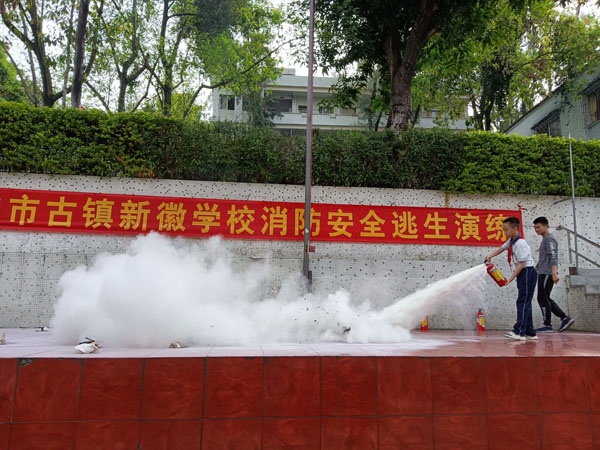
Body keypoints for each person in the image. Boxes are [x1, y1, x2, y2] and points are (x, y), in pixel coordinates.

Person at [485, 216, 537, 341]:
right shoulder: (512, 240)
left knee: (522, 302)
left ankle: (519, 332)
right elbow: (502, 248)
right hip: (524, 273)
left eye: (506, 230)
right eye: (503, 230)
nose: (505, 233)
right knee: (526, 302)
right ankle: (530, 332)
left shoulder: (520, 243)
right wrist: (490, 255)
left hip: (527, 272)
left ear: (514, 228)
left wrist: (510, 279)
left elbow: (521, 264)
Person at [533, 216, 574, 333]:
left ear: (546, 226)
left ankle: (547, 324)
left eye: (538, 227)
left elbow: (553, 256)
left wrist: (554, 273)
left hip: (547, 273)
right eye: (535, 228)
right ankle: (565, 318)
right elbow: (544, 258)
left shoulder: (549, 239)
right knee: (545, 297)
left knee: (542, 298)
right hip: (543, 272)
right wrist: (535, 269)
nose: (536, 230)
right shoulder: (545, 239)